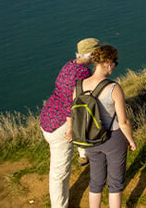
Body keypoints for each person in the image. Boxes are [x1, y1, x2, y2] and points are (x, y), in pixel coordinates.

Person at [67, 44, 137, 208]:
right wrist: (131, 141)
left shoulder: (78, 86)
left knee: (96, 182)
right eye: (115, 63)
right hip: (113, 138)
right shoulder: (113, 87)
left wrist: (71, 130)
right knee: (115, 184)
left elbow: (72, 112)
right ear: (108, 62)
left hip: (90, 138)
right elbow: (123, 121)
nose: (115, 66)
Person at [40, 37, 100, 208]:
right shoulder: (83, 73)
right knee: (59, 173)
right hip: (60, 127)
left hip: (48, 117)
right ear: (92, 54)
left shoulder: (69, 65)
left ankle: (83, 155)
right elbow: (73, 102)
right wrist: (69, 128)